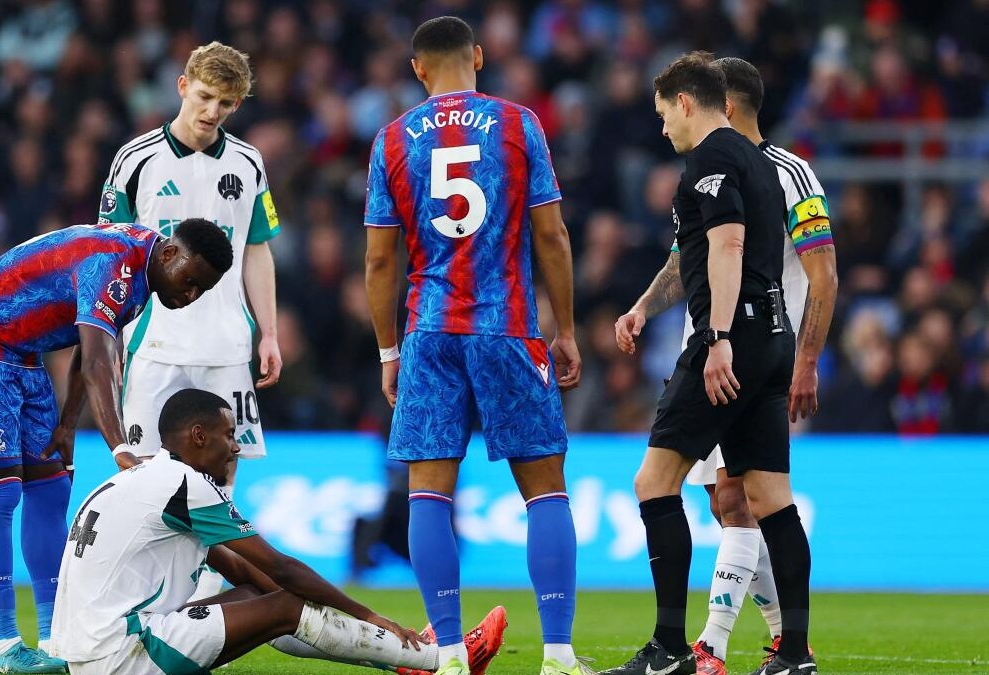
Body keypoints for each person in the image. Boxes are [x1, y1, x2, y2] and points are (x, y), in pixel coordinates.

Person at [364, 16, 590, 675]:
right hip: (507, 325)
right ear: (480, 57)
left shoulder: (391, 138)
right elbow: (552, 236)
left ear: (417, 69)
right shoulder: (519, 124)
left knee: (428, 492)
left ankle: (448, 652)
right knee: (544, 489)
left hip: (430, 330)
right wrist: (566, 329)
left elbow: (379, 261)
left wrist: (388, 351)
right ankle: (558, 655)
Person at [0, 218, 233, 674]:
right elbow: (96, 363)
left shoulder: (141, 274)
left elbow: (86, 344)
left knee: (51, 486)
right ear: (170, 254)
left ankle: (54, 638)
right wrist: (121, 449)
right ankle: (3, 645)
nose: (190, 296)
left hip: (21, 352)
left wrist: (68, 424)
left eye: (201, 291)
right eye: (190, 281)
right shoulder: (114, 263)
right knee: (0, 487)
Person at [615, 57, 837, 675]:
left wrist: (724, 339)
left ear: (711, 103)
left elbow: (764, 255)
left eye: (665, 113)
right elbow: (689, 254)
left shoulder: (745, 164)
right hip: (761, 337)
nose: (663, 128)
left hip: (729, 344)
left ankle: (685, 647)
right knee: (759, 498)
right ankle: (791, 650)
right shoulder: (755, 168)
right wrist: (643, 308)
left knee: (663, 485)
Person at [50, 388, 507, 675]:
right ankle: (438, 660)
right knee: (285, 605)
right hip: (123, 655)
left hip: (89, 653)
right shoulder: (184, 484)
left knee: (264, 599)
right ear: (198, 435)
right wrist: (369, 615)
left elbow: (244, 572)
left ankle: (407, 658)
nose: (235, 447)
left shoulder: (140, 478)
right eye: (228, 435)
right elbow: (281, 567)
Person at [98, 41, 282, 601]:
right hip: (153, 342)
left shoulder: (248, 163)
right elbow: (108, 255)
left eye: (225, 104)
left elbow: (257, 249)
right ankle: (134, 591)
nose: (211, 111)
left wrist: (269, 332)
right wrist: (109, 333)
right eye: (204, 97)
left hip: (226, 345)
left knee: (222, 474)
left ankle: (200, 592)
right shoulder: (135, 160)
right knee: (140, 472)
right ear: (182, 86)